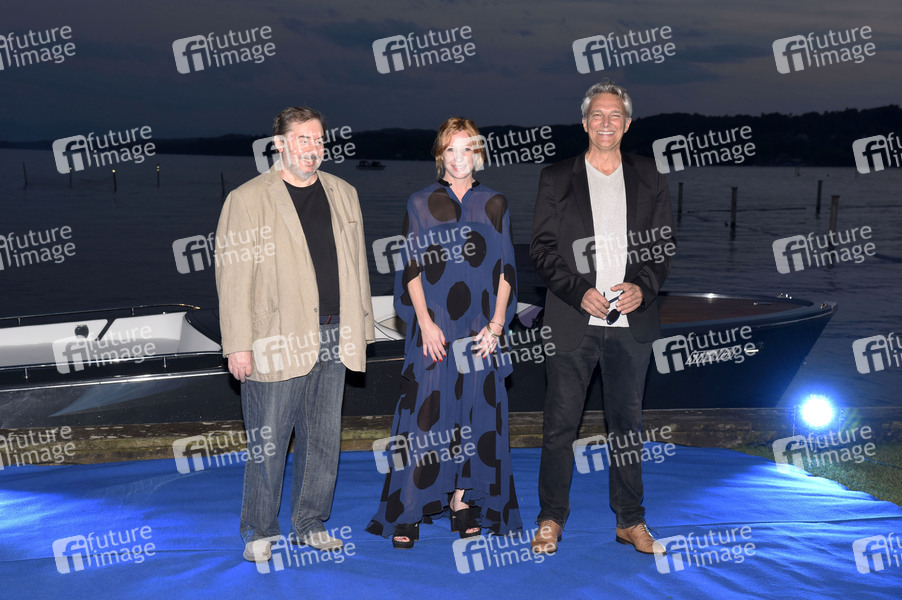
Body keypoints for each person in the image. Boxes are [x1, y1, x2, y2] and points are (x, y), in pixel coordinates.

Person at [215, 106, 374, 563]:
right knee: (269, 441)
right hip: (274, 338)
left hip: (335, 333)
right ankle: (259, 530)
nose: (312, 148)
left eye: (318, 139)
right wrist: (237, 345)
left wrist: (362, 327)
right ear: (280, 144)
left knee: (323, 438)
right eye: (303, 138)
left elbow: (358, 267)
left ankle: (310, 523)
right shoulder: (247, 199)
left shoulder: (345, 193)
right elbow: (232, 280)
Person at [529, 81, 675, 555]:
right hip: (573, 321)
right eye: (597, 115)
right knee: (559, 427)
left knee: (628, 428)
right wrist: (579, 293)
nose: (606, 123)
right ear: (585, 122)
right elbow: (542, 250)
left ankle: (631, 521)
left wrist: (643, 287)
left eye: (615, 115)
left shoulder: (650, 175)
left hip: (631, 325)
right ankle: (551, 518)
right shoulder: (556, 178)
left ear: (627, 124)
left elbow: (662, 245)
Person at [366, 117, 523, 548]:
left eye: (466, 149)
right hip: (434, 329)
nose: (458, 158)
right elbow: (411, 269)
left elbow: (507, 270)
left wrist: (496, 326)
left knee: (475, 416)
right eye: (450, 150)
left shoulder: (495, 203)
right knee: (425, 419)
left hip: (480, 331)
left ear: (478, 154)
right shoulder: (420, 202)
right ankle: (410, 508)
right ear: (440, 155)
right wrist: (425, 323)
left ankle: (461, 501)